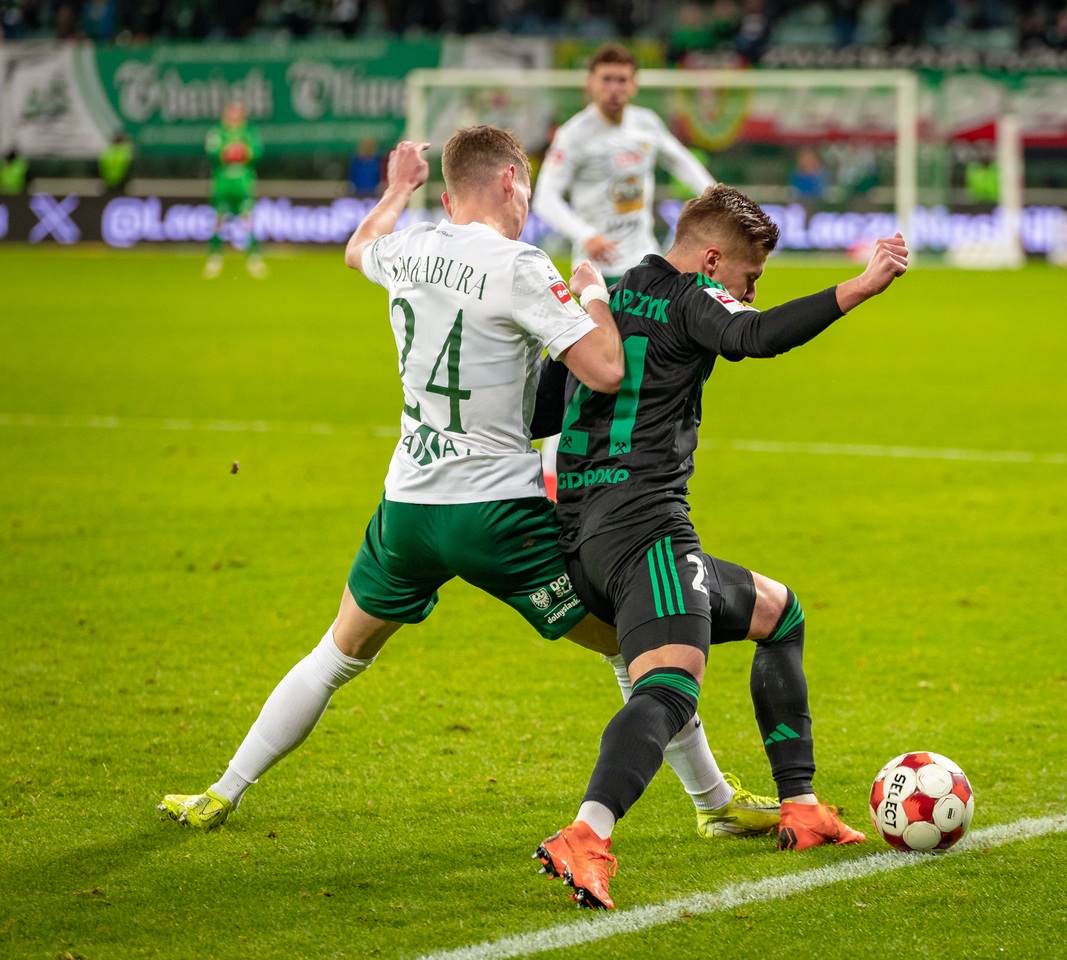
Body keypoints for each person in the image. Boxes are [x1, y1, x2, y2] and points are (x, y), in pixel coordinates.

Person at [157, 128, 779, 841]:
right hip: (496, 514)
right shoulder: (520, 265)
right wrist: (592, 295)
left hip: (408, 505)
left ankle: (221, 791)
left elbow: (358, 247)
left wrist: (397, 188)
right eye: (528, 189)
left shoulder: (407, 248)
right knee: (632, 645)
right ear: (511, 180)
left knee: (335, 655)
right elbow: (607, 370)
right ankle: (713, 803)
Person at [531, 185, 909, 910]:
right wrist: (859, 287)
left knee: (778, 612)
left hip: (580, 534)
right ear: (710, 260)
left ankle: (801, 805)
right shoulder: (688, 296)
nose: (751, 289)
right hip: (645, 530)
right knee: (670, 688)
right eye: (749, 274)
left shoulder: (605, 298)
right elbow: (755, 335)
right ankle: (586, 833)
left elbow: (543, 409)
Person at [533, 42, 715, 283]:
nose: (614, 89)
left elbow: (681, 161)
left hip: (645, 260)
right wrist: (585, 236)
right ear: (590, 83)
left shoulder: (646, 123)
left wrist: (715, 197)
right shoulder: (573, 135)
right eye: (606, 79)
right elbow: (545, 199)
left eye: (621, 80)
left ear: (633, 85)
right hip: (598, 268)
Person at [204, 101, 265, 279]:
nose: (234, 116)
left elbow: (256, 152)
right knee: (218, 219)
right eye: (232, 112)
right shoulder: (218, 132)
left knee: (248, 219)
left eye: (238, 113)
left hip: (243, 183)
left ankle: (253, 257)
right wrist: (232, 152)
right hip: (223, 184)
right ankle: (215, 255)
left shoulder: (249, 132)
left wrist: (238, 152)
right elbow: (215, 152)